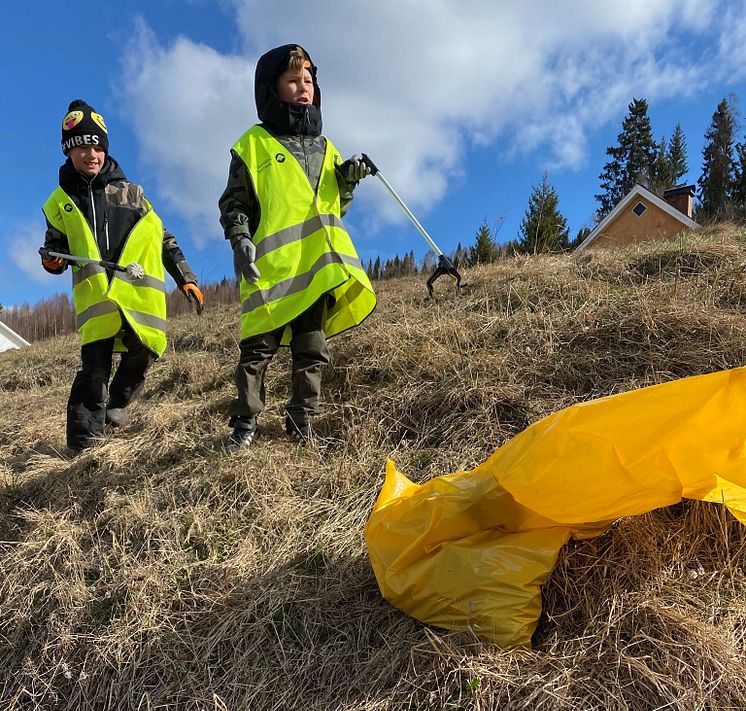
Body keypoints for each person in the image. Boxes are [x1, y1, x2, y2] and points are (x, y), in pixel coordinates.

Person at [219, 44, 376, 448]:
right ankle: (244, 426)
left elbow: (335, 207)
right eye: (294, 80)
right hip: (268, 270)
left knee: (312, 353)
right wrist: (239, 239)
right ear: (272, 90)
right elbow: (234, 201)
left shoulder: (328, 148)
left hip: (315, 271)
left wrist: (348, 182)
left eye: (309, 80)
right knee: (256, 353)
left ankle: (302, 424)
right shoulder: (253, 144)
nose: (304, 88)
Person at [41, 99, 204, 453]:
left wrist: (185, 277)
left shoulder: (132, 194)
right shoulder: (60, 202)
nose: (91, 154)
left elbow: (163, 238)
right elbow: (54, 248)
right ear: (69, 152)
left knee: (144, 350)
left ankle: (118, 402)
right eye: (82, 146)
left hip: (135, 294)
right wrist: (52, 263)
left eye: (97, 145)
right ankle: (84, 447)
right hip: (97, 301)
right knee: (92, 372)